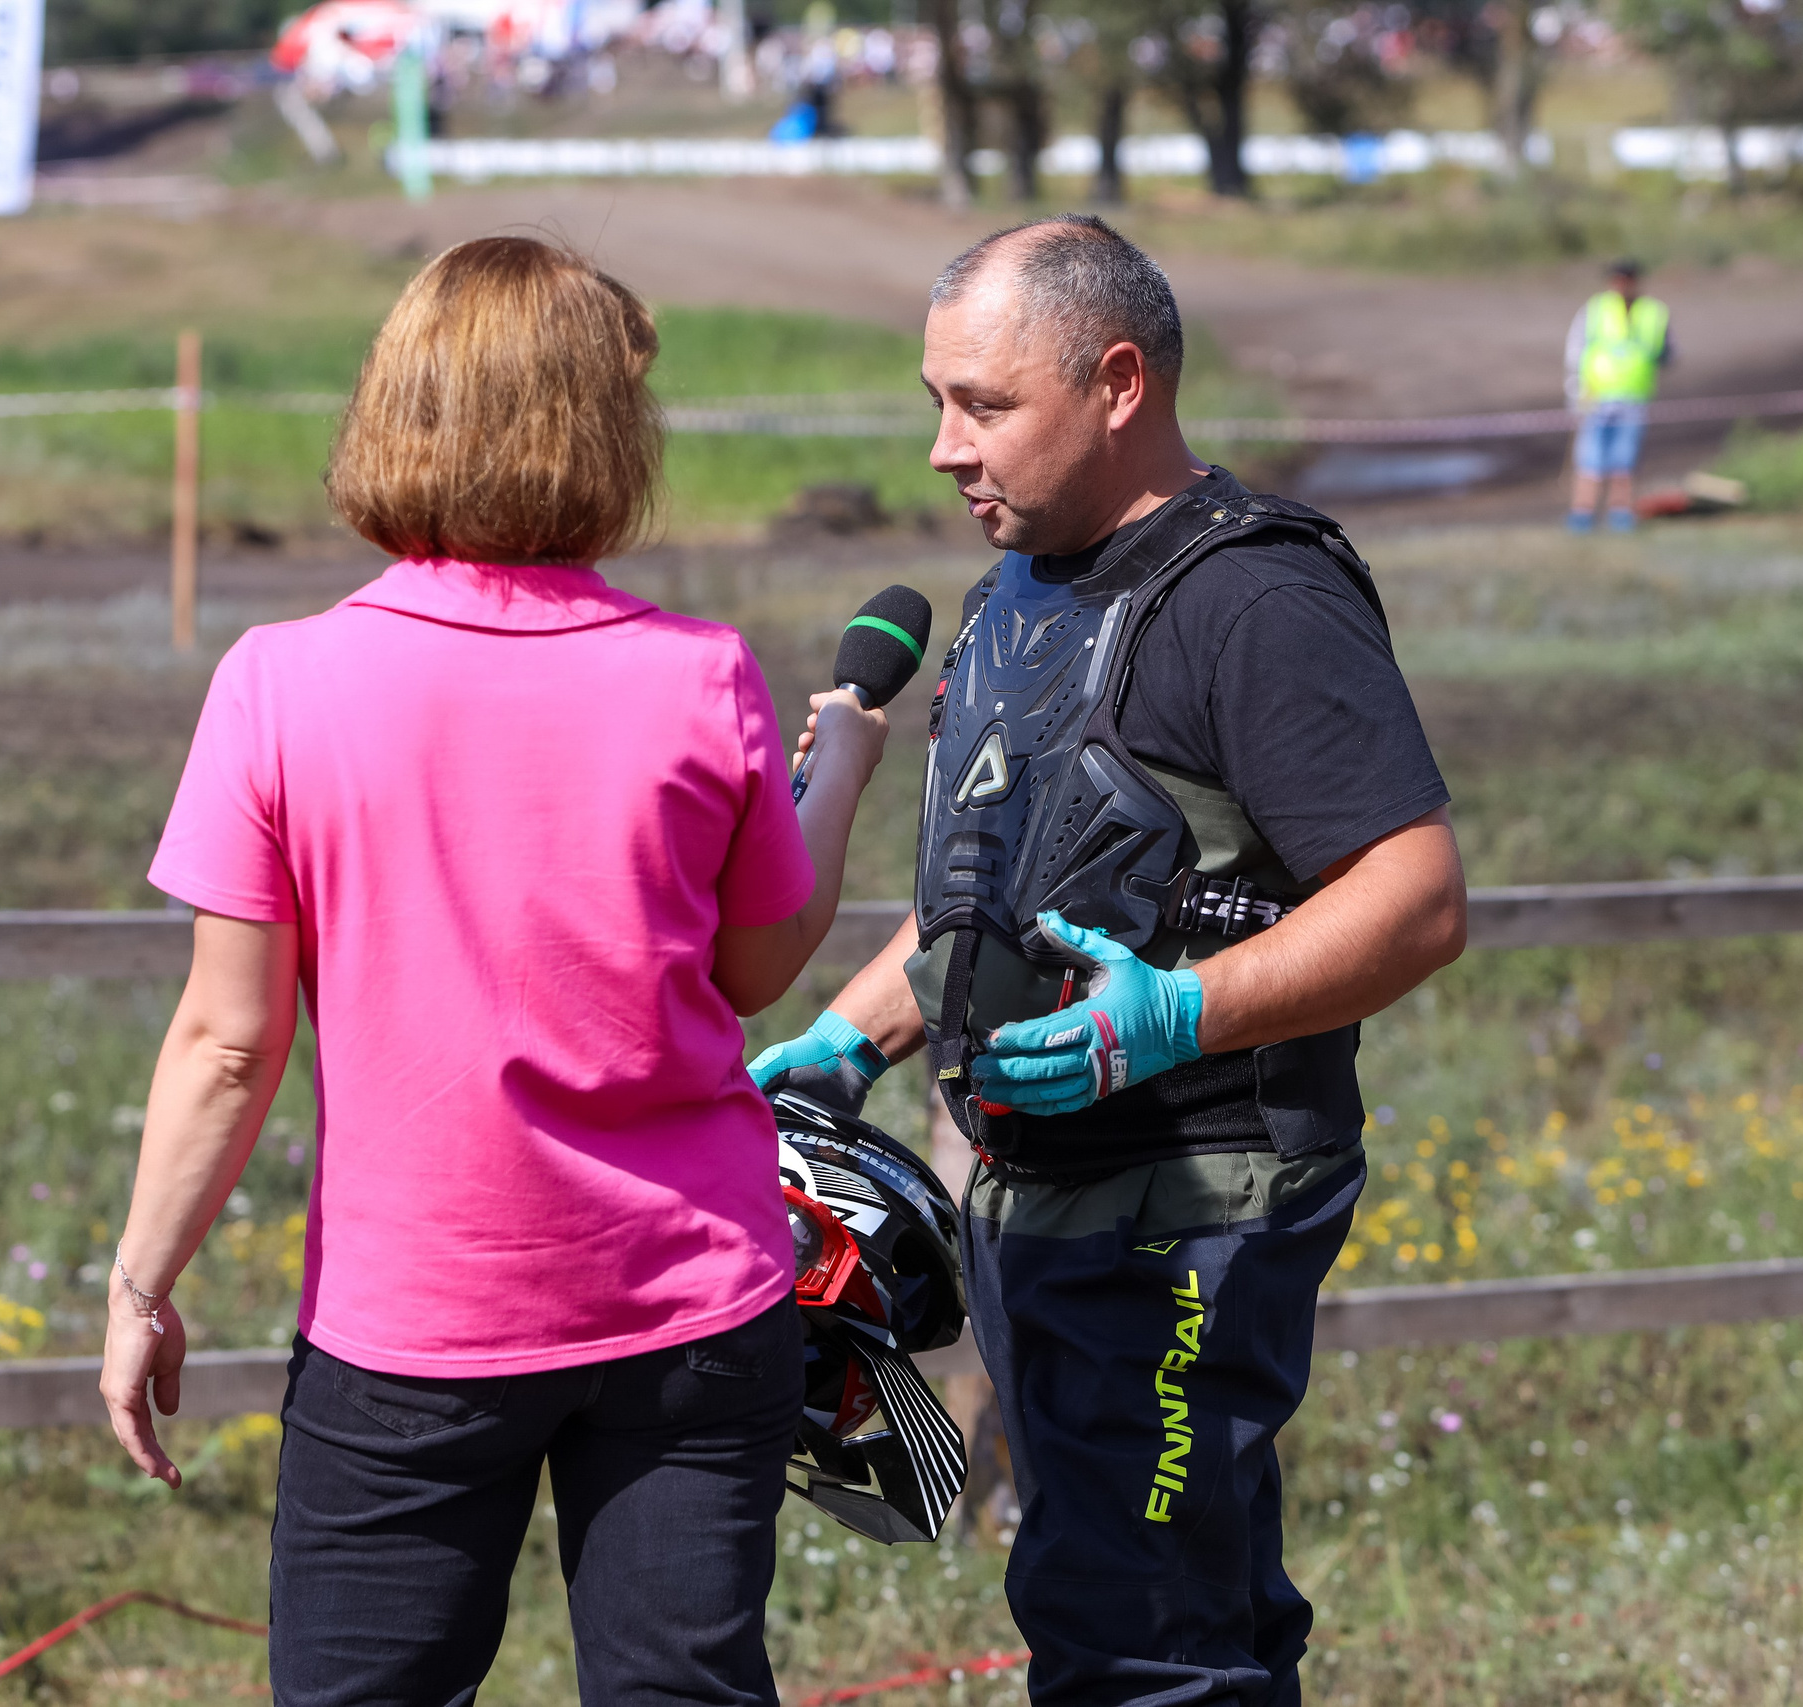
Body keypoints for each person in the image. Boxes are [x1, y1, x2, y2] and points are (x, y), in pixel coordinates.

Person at [101, 236, 892, 1707]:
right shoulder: (699, 672)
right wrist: (836, 769)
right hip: (693, 1305)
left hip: (416, 1320)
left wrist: (144, 1277)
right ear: (606, 432)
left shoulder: (279, 680)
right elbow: (755, 966)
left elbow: (226, 1044)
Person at [752, 216, 1467, 1705]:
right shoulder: (1014, 593)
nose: (946, 447)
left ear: (1120, 381)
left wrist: (1180, 1012)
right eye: (934, 401)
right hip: (1037, 1192)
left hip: (1193, 1197)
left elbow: (1414, 897)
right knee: (1152, 1604)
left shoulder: (1255, 596)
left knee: (1137, 1631)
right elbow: (1003, 886)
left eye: (986, 405)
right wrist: (853, 1036)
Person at [1564, 257, 1674, 533]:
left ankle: (1620, 517)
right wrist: (1576, 391)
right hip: (1596, 397)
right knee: (1589, 461)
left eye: (1627, 279)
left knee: (1623, 462)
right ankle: (1582, 517)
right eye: (1617, 279)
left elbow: (1667, 352)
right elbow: (1575, 351)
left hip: (1633, 398)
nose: (1622, 284)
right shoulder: (1595, 310)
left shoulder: (1653, 313)